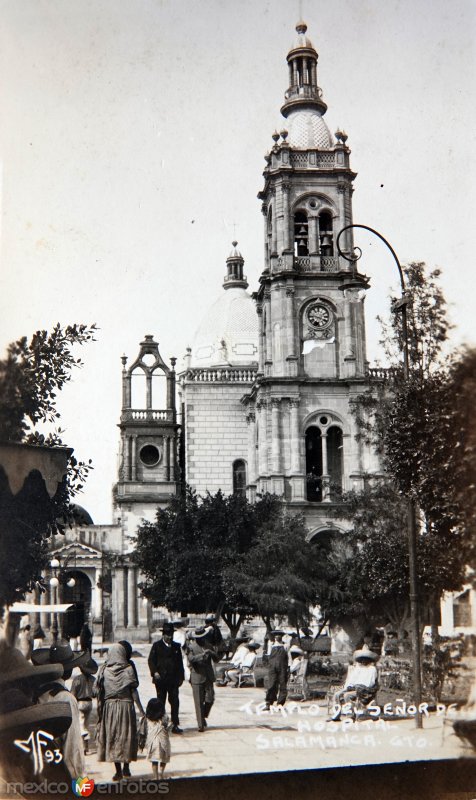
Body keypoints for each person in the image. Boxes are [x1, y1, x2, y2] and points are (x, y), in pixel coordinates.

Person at [32, 640, 88, 779]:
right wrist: (79, 781)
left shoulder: (39, 693)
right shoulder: (66, 698)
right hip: (58, 774)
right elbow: (72, 749)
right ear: (68, 670)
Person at [96, 642, 145, 781]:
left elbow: (99, 693)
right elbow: (134, 691)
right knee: (126, 737)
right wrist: (141, 711)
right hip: (126, 707)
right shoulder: (128, 669)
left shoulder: (104, 670)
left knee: (113, 738)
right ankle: (126, 767)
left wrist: (100, 713)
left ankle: (118, 771)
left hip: (110, 708)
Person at [148, 623, 185, 734]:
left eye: (171, 635)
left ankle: (175, 724)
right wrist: (154, 672)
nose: (170, 637)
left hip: (173, 680)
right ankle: (161, 725)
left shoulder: (176, 646)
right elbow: (151, 661)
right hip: (161, 680)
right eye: (167, 635)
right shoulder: (156, 646)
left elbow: (180, 664)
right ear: (163, 635)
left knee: (175, 702)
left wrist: (181, 677)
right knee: (160, 702)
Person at [186, 627, 220, 731]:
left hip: (208, 676)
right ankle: (200, 724)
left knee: (210, 699)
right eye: (199, 637)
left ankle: (203, 715)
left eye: (202, 637)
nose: (201, 639)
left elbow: (217, 659)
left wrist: (212, 652)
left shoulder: (208, 645)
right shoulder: (191, 647)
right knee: (198, 701)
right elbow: (191, 659)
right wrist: (202, 655)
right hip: (197, 676)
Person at [332, 645, 378, 718]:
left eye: (365, 659)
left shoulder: (372, 669)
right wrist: (348, 687)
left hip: (365, 691)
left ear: (369, 659)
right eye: (362, 659)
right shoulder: (358, 668)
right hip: (355, 688)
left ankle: (350, 715)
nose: (363, 661)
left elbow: (369, 683)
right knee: (337, 694)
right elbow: (352, 680)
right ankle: (336, 716)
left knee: (347, 695)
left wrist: (357, 687)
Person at [70, 655, 98, 754]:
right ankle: (86, 746)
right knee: (86, 723)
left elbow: (72, 694)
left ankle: (84, 747)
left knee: (81, 724)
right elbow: (95, 694)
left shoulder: (77, 679)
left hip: (79, 702)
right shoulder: (93, 680)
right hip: (89, 703)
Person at [138, 698, 172, 780]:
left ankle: (155, 777)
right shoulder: (165, 718)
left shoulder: (145, 719)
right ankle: (161, 774)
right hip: (164, 742)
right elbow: (168, 728)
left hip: (152, 743)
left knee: (154, 761)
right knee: (164, 759)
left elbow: (142, 732)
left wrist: (141, 744)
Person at [264, 630, 288, 710]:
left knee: (283, 685)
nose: (277, 636)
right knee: (271, 684)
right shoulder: (271, 645)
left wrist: (289, 667)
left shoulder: (285, 645)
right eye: (276, 635)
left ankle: (280, 703)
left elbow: (289, 657)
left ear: (281, 636)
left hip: (283, 667)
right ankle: (268, 703)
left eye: (279, 635)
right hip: (272, 667)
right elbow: (268, 656)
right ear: (274, 636)